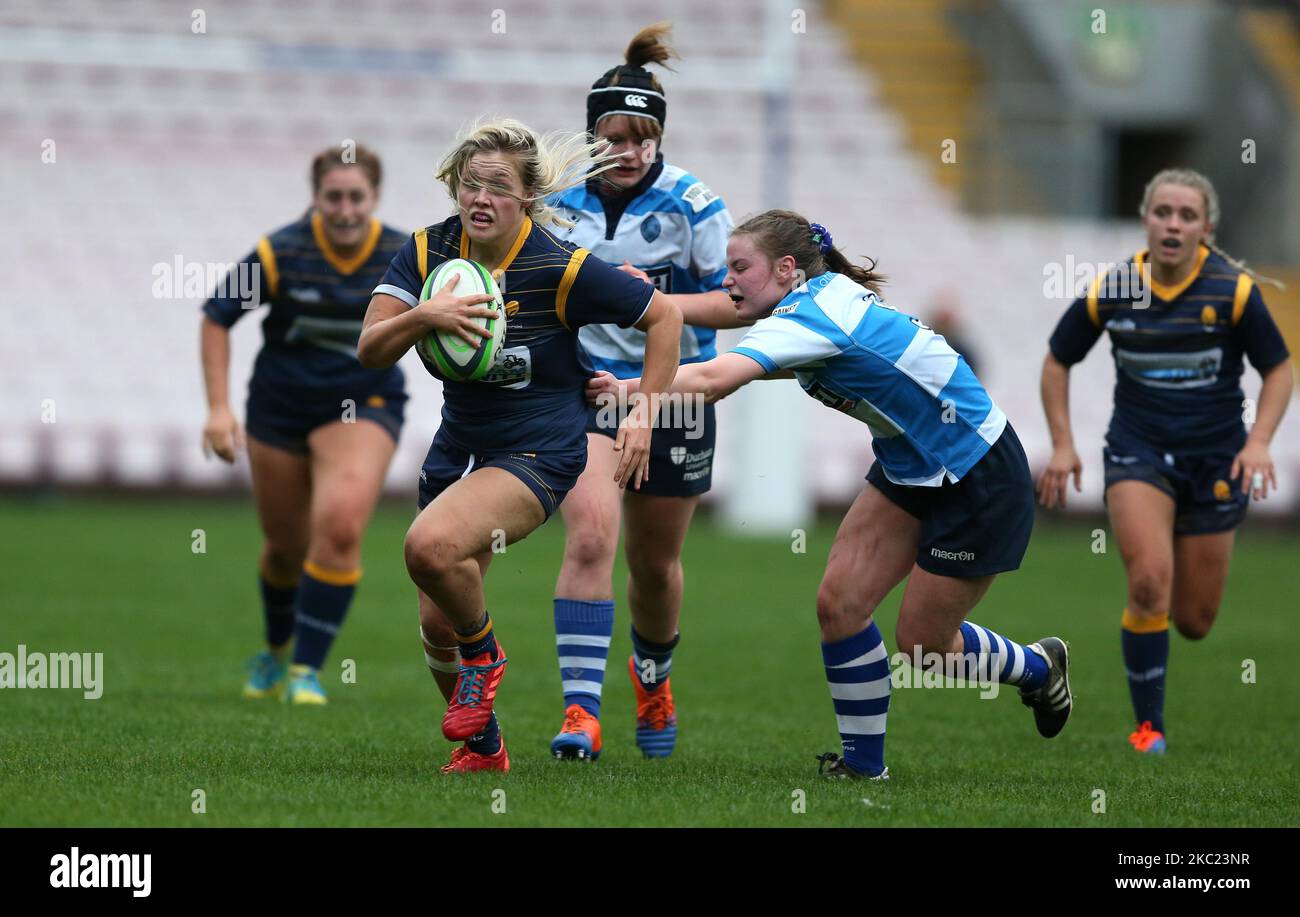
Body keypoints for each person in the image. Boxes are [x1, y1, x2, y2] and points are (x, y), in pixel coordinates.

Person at [589, 210, 1073, 779]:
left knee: (923, 647)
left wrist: (635, 396)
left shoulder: (806, 315)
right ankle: (864, 768)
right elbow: (739, 369)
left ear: (787, 268)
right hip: (910, 467)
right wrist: (626, 387)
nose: (728, 281)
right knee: (839, 605)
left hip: (978, 472)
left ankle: (1041, 669)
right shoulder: (817, 300)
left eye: (740, 267)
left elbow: (715, 380)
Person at [358, 118, 682, 773]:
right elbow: (369, 349)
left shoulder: (559, 268)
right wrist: (427, 315)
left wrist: (643, 414)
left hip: (540, 450)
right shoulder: (426, 256)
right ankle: (486, 749)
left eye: (497, 186)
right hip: (460, 447)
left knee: (426, 545)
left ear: (528, 199)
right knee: (436, 621)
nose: (480, 198)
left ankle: (489, 656)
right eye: (469, 183)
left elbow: (665, 317)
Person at [1038, 168, 1292, 755]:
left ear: (1205, 228)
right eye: (1163, 212)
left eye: (1186, 215)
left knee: (1196, 620)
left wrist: (1259, 442)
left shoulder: (1234, 291)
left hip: (1216, 461)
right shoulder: (1115, 287)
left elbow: (1279, 369)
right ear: (1146, 218)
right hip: (1138, 452)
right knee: (1149, 580)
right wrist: (1063, 443)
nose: (1173, 224)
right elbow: (1057, 360)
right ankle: (1148, 728)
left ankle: (1166, 622)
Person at [546, 22, 742, 761]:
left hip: (676, 394)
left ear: (659, 137)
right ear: (591, 131)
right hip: (590, 388)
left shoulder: (696, 204)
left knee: (653, 567)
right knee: (593, 531)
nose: (626, 149)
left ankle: (653, 679)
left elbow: (738, 304)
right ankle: (580, 712)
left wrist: (652, 302)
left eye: (641, 135)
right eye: (612, 133)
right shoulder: (558, 200)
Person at [200, 144, 408, 705]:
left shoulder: (403, 254)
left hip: (366, 402)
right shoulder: (280, 252)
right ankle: (275, 650)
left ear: (375, 198)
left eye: (355, 197)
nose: (344, 209)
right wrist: (218, 409)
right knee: (285, 548)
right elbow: (217, 317)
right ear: (315, 198)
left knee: (339, 528)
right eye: (333, 197)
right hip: (280, 407)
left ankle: (306, 672)